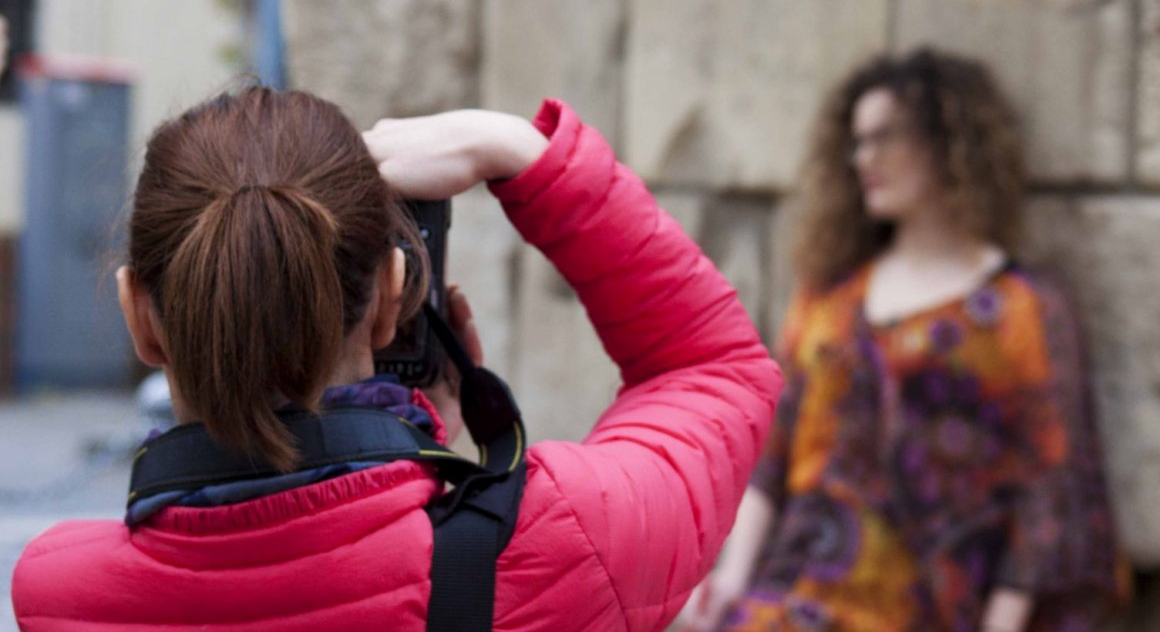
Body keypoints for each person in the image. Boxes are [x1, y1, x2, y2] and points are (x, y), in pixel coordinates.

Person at [10, 88, 782, 630]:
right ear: (390, 297)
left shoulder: (58, 595)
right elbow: (714, 370)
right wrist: (518, 149)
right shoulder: (565, 545)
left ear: (140, 317)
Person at [678, 49, 1126, 632]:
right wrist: (730, 580)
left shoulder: (1020, 307)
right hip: (791, 603)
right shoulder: (830, 296)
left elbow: (1051, 486)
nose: (865, 158)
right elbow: (776, 448)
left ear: (945, 143)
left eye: (885, 137)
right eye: (858, 141)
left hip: (927, 612)